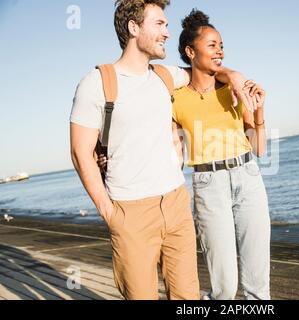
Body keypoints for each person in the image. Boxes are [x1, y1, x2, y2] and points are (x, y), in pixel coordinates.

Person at [70, 0, 256, 300]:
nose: (167, 33)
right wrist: (110, 213)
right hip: (130, 211)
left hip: (176, 205)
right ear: (133, 28)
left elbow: (204, 68)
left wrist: (233, 75)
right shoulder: (97, 83)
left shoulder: (165, 76)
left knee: (188, 300)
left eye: (167, 25)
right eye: (159, 24)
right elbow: (81, 154)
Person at [172, 9, 271, 300]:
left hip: (248, 176)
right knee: (225, 287)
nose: (220, 52)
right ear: (191, 51)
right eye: (212, 45)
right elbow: (173, 153)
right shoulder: (176, 99)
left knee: (257, 285)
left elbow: (260, 148)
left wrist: (259, 109)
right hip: (208, 185)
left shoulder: (233, 89)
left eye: (222, 46)